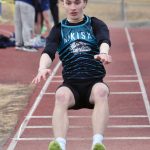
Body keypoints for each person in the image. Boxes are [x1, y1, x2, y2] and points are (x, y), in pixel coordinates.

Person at [32, 0, 112, 149]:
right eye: (69, 3)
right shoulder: (58, 29)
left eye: (77, 2)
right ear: (63, 4)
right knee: (60, 95)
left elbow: (104, 40)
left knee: (102, 91)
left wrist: (103, 52)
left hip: (93, 84)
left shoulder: (95, 24)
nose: (73, 7)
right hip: (71, 86)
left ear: (84, 3)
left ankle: (97, 143)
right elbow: (48, 51)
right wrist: (42, 68)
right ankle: (60, 145)